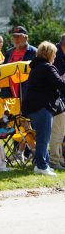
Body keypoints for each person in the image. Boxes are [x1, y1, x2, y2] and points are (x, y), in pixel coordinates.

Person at [22, 41, 65, 177]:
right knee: (43, 137)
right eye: (54, 54)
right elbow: (60, 84)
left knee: (42, 136)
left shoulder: (37, 67)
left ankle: (43, 164)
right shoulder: (47, 67)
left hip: (33, 106)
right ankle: (41, 166)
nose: (55, 57)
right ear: (49, 54)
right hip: (42, 107)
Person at [2, 26, 37, 98]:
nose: (16, 39)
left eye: (19, 36)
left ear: (26, 37)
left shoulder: (34, 52)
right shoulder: (9, 52)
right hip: (10, 92)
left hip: (27, 92)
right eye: (14, 36)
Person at [49, 35, 65, 170]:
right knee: (58, 132)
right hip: (56, 100)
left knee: (60, 131)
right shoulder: (56, 56)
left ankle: (59, 158)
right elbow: (58, 82)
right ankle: (55, 160)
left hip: (59, 99)